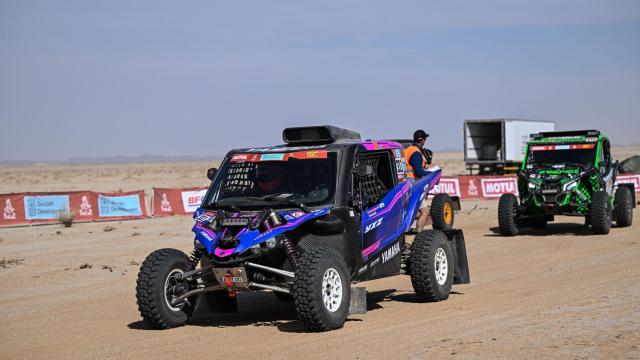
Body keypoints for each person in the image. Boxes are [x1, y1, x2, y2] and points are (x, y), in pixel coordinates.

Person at [403, 129, 433, 232]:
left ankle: (409, 235)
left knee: (409, 212)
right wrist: (431, 173)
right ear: (422, 140)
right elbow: (419, 172)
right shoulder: (415, 153)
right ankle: (418, 235)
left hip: (405, 183)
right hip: (413, 184)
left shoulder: (408, 149)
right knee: (424, 211)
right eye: (425, 139)